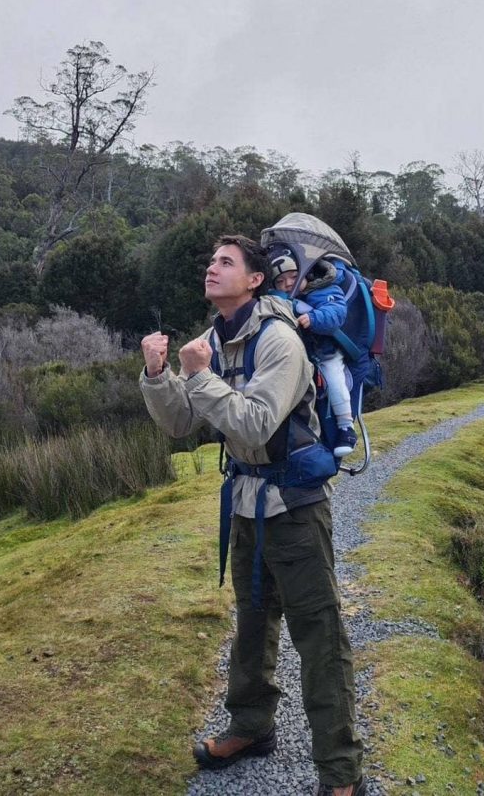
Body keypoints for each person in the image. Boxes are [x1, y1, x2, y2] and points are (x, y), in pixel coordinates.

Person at [140, 235, 365, 796]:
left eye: (225, 262)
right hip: (246, 505)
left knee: (318, 637)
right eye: (209, 260)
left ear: (255, 279)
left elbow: (255, 424)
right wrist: (159, 376)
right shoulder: (212, 340)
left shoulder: (279, 340)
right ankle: (251, 726)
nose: (211, 268)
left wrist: (198, 375)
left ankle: (340, 774)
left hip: (294, 508)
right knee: (252, 625)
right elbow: (178, 426)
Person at [269, 248, 357, 458]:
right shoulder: (283, 300)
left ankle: (346, 427)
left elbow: (337, 312)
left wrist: (315, 318)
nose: (288, 284)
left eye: (292, 276)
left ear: (306, 273)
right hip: (302, 356)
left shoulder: (324, 289)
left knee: (334, 379)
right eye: (280, 281)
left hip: (326, 352)